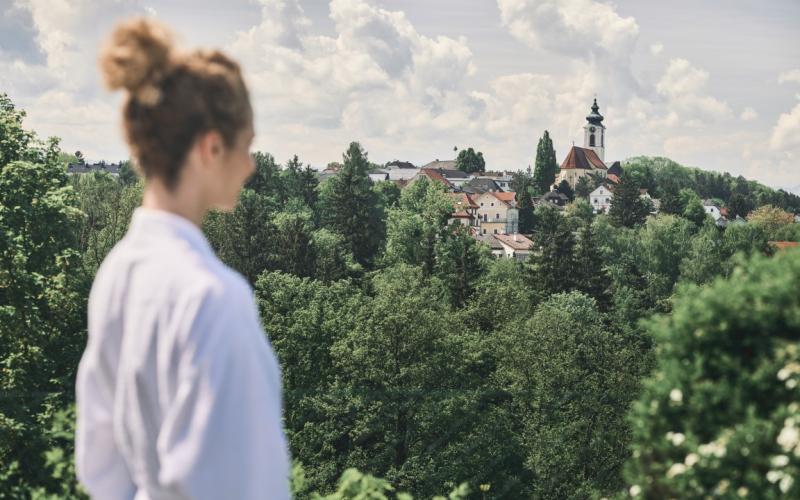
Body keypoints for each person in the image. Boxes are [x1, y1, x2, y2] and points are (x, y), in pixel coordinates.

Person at [75, 18, 291, 499]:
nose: (252, 166)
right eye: (248, 145)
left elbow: (101, 465)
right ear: (211, 147)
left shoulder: (118, 271)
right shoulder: (213, 298)